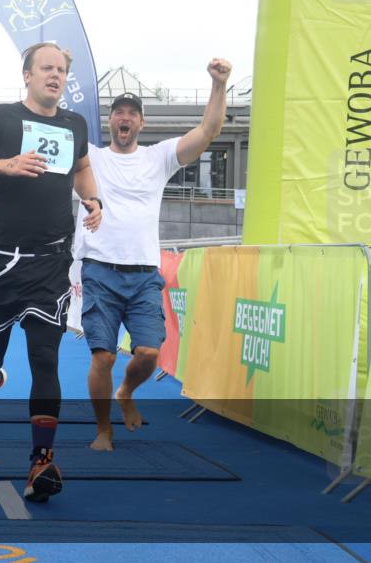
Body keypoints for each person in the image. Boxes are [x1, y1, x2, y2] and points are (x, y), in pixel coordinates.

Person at [0, 42, 102, 503]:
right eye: (46, 68)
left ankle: (41, 461)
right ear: (28, 76)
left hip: (51, 265)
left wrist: (93, 199)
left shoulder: (74, 125)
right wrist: (6, 164)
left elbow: (82, 167)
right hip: (1, 262)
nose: (55, 75)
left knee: (44, 359)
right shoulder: (3, 118)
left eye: (61, 70)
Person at [78, 59, 232, 452]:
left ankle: (126, 393)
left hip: (145, 274)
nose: (125, 118)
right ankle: (103, 430)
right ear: (110, 122)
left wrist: (219, 84)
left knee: (148, 353)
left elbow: (208, 131)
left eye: (132, 113)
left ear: (141, 123)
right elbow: (51, 140)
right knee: (103, 357)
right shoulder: (91, 157)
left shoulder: (158, 157)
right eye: (119, 112)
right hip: (99, 270)